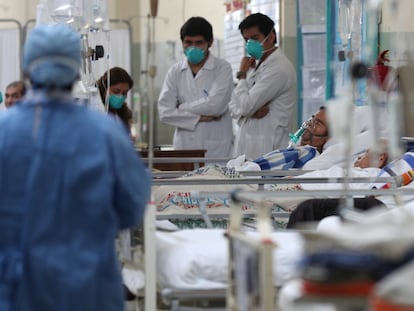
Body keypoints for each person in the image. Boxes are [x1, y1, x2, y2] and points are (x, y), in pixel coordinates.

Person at [0, 24, 151, 310]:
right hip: (87, 284)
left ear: (27, 70)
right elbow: (132, 208)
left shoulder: (4, 133)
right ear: (77, 71)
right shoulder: (106, 134)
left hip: (18, 287)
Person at [158, 16, 234, 158]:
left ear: (210, 42)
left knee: (216, 177)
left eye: (199, 43)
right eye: (188, 42)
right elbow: (165, 113)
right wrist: (199, 118)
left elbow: (215, 106)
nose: (193, 47)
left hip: (216, 148)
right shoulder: (175, 72)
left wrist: (182, 108)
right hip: (184, 147)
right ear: (182, 43)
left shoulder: (222, 68)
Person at [229, 12, 297, 160]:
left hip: (269, 148)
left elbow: (245, 105)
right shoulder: (255, 66)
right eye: (246, 39)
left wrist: (241, 75)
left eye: (254, 38)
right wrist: (249, 112)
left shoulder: (279, 68)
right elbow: (233, 106)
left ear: (271, 36)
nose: (250, 44)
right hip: (248, 145)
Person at [96, 67, 134, 133]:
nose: (120, 96)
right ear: (104, 89)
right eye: (116, 91)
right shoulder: (96, 108)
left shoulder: (123, 113)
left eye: (124, 93)